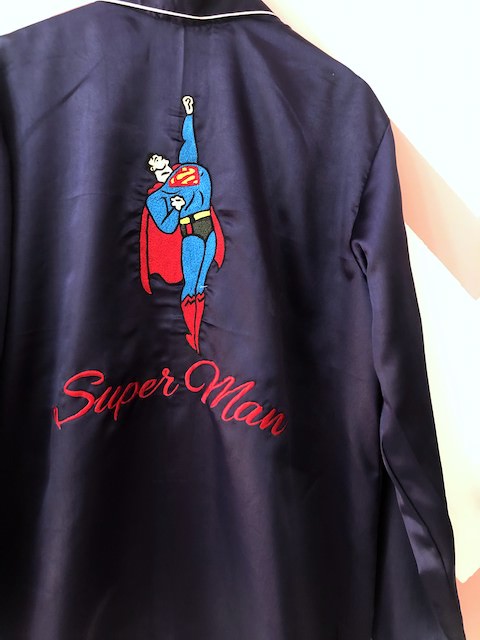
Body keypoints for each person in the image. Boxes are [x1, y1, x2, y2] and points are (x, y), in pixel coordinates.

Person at [140, 95, 225, 353]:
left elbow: (189, 141)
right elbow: (166, 227)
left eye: (159, 157)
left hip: (208, 229)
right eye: (155, 160)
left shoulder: (185, 169)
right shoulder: (157, 197)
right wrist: (176, 209)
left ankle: (198, 334)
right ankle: (192, 334)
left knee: (201, 284)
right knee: (191, 284)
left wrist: (188, 114)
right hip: (191, 234)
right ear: (152, 169)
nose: (160, 158)